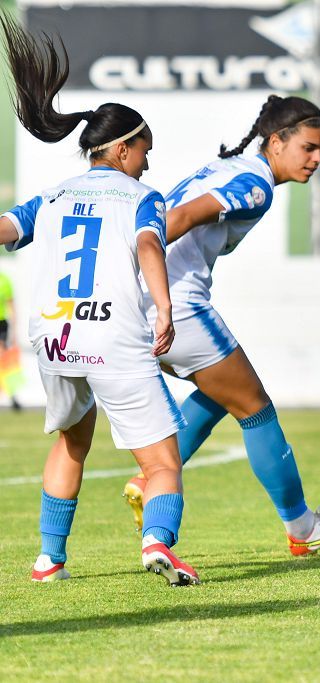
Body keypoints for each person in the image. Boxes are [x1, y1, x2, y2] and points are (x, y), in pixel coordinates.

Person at [0, 13, 198, 585]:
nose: (148, 161)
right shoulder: (142, 197)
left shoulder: (53, 194)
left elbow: (8, 229)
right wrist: (163, 308)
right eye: (144, 149)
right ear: (122, 148)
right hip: (113, 335)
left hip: (55, 337)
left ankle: (48, 559)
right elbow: (148, 248)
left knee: (72, 440)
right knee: (161, 462)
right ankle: (157, 543)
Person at [121, 94, 320, 556]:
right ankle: (303, 527)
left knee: (221, 395)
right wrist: (132, 262)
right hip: (177, 307)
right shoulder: (256, 185)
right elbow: (181, 218)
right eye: (309, 148)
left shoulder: (225, 168)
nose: (316, 160)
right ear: (276, 141)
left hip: (139, 308)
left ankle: (146, 479)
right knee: (256, 409)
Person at [0, 267, 23, 410]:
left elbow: (11, 307)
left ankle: (13, 395)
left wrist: (14, 333)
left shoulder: (4, 280)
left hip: (1, 324)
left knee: (5, 360)